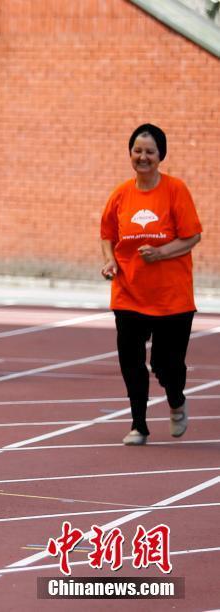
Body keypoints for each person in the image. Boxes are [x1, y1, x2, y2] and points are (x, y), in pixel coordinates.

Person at [100, 123, 202, 446]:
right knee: (131, 360)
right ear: (130, 153)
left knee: (166, 363)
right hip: (129, 292)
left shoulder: (175, 190)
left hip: (172, 297)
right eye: (137, 151)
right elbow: (107, 234)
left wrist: (160, 253)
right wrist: (110, 261)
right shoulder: (120, 194)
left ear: (161, 156)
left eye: (149, 152)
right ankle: (139, 425)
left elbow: (192, 236)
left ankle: (176, 400)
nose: (143, 157)